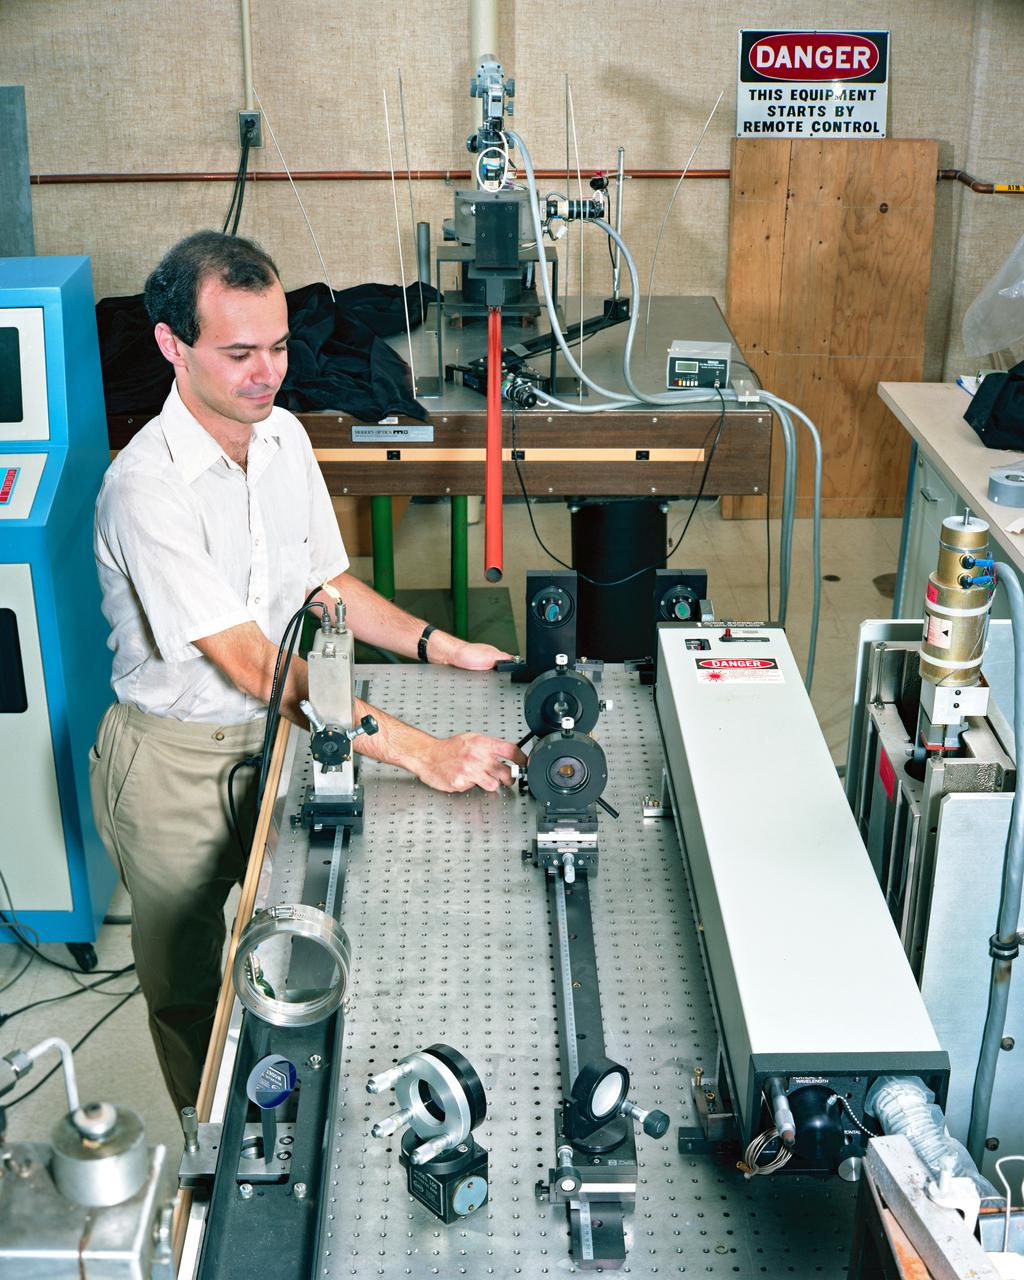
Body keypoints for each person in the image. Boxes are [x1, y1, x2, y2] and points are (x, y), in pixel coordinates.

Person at [89, 230, 526, 1114]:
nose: (268, 374)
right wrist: (421, 751)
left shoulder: (283, 437)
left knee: (297, 948)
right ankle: (211, 1151)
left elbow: (326, 586)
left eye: (280, 346)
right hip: (173, 763)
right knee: (188, 990)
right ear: (173, 346)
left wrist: (444, 647)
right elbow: (257, 664)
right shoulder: (145, 487)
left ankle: (290, 1114)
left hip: (278, 740)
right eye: (239, 353)